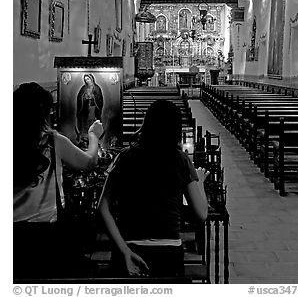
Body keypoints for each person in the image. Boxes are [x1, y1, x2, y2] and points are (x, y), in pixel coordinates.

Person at [99, 99, 209, 278]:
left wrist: (124, 250)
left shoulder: (124, 157)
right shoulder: (181, 160)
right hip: (168, 252)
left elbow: (102, 207)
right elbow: (201, 213)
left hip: (130, 246)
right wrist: (201, 181)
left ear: (146, 123)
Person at [13, 82, 104, 279]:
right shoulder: (52, 141)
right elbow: (89, 162)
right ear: (45, 113)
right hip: (45, 233)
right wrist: (92, 135)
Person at [75, 73, 103, 145]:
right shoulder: (83, 88)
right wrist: (84, 98)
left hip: (93, 109)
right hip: (85, 110)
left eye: (88, 79)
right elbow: (79, 98)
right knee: (84, 124)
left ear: (91, 79)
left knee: (92, 122)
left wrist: (93, 97)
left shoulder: (96, 88)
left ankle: (93, 137)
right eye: (85, 80)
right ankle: (84, 138)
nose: (87, 81)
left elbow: (99, 99)